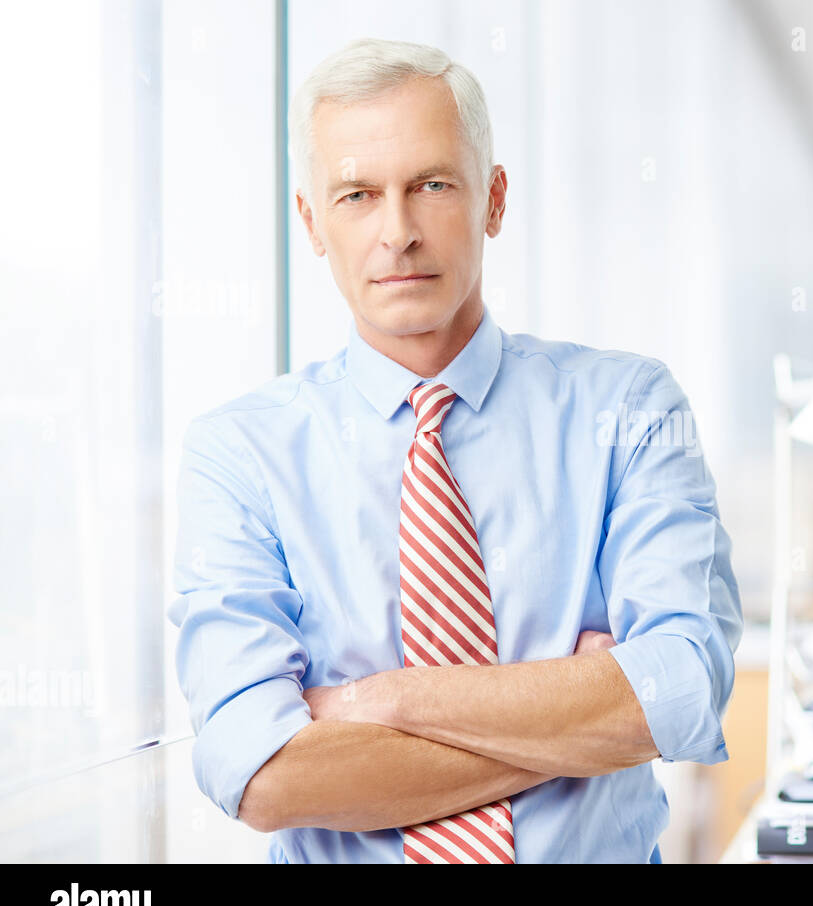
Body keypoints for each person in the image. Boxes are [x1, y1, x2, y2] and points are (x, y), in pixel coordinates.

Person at [167, 37, 743, 863]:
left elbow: (679, 690)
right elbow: (264, 776)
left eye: (431, 185)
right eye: (358, 194)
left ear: (494, 199)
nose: (397, 232)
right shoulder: (240, 454)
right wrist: (574, 713)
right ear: (312, 223)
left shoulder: (630, 409)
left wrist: (375, 702)